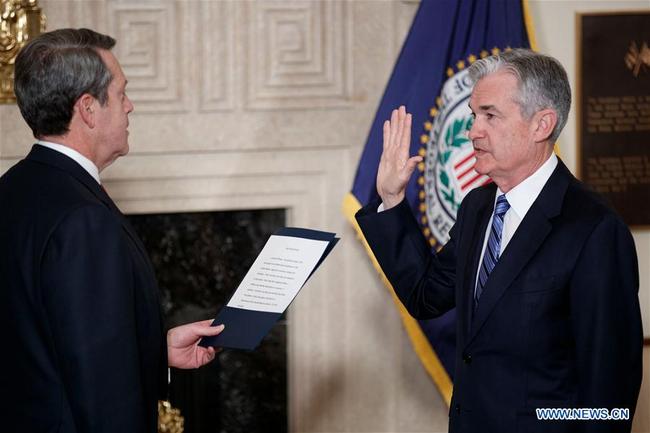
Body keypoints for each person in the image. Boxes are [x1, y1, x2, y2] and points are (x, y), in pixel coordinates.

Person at [356, 49, 643, 433]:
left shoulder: (594, 229)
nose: (473, 130)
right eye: (474, 115)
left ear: (542, 125)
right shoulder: (478, 206)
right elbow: (426, 294)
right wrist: (391, 200)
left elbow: (609, 395)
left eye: (490, 115)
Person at [0, 28, 224, 432]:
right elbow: (103, 398)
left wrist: (155, 351)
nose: (130, 106)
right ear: (88, 108)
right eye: (121, 93)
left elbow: (51, 343)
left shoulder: (13, 188)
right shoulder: (83, 218)